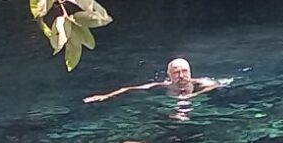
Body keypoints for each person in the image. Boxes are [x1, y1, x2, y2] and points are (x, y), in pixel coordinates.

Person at [84, 57, 220, 105]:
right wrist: (105, 96)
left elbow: (215, 84)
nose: (181, 75)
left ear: (190, 72)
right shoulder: (162, 85)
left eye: (184, 71)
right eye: (176, 72)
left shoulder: (198, 83)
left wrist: (193, 95)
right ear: (169, 75)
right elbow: (129, 88)